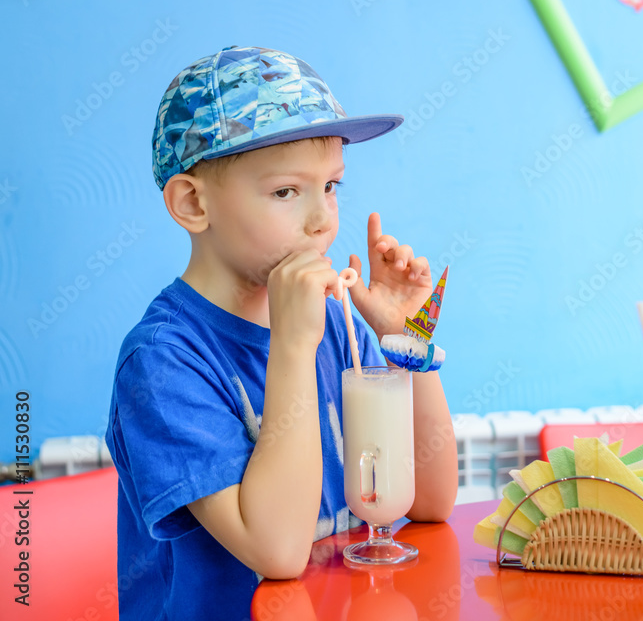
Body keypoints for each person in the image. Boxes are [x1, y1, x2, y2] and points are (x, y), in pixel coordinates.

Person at [105, 45, 458, 620]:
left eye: (332, 186)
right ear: (193, 203)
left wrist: (404, 342)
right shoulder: (162, 362)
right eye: (286, 192)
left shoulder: (339, 325)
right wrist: (293, 345)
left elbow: (431, 499)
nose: (322, 220)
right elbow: (278, 551)